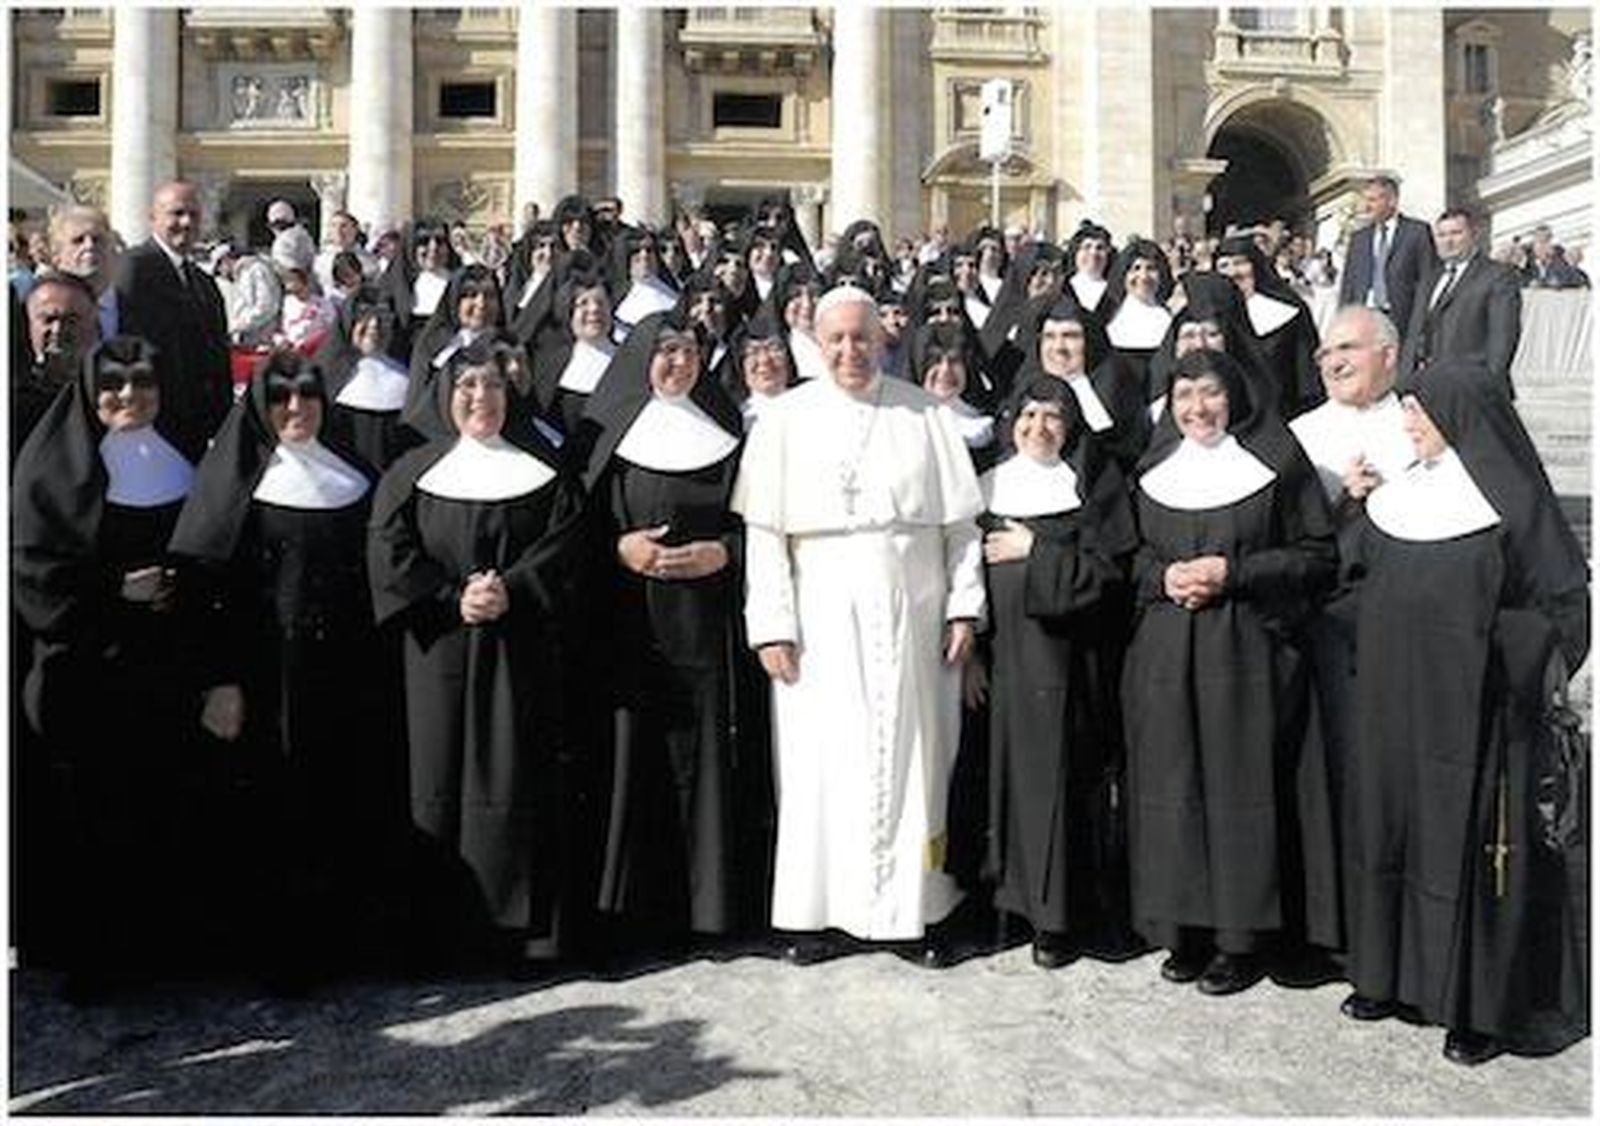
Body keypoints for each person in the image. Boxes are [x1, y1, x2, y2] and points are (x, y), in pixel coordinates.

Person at [1338, 361, 1589, 1065]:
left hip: (1480, 720)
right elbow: (1356, 580)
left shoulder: (1510, 507)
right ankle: (1385, 975)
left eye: (1420, 413)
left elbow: (1563, 614)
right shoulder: (1401, 495)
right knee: (1391, 831)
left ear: (1463, 421)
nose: (1408, 423)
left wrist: (1490, 651)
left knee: (1471, 850)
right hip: (1394, 705)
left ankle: (1476, 1006)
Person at [730, 286, 985, 965]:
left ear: (884, 341)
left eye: (862, 338)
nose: (851, 350)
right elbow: (764, 534)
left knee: (918, 761)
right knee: (820, 763)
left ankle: (914, 913)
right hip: (819, 615)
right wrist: (772, 624)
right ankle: (819, 917)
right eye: (836, 338)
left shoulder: (925, 414)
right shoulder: (784, 419)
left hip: (916, 608)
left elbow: (962, 528)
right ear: (816, 341)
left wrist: (966, 607)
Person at [168, 352, 395, 987]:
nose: (296, 409)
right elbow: (204, 589)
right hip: (266, 677)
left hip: (345, 671)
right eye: (281, 398)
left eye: (308, 395)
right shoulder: (235, 482)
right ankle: (280, 952)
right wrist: (219, 679)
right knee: (275, 807)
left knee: (342, 796)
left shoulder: (353, 475)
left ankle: (345, 941)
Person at [12, 335, 227, 997]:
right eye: (114, 384)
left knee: (169, 803)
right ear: (89, 391)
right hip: (89, 674)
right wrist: (113, 592)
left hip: (167, 668)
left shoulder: (181, 457)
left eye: (143, 383)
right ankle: (99, 960)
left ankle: (170, 949)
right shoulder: (53, 469)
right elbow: (34, 577)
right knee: (96, 815)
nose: (129, 396)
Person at [1122, 348, 1339, 997]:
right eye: (1183, 396)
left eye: (1209, 394)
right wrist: (1163, 577)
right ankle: (1182, 928)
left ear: (1236, 395)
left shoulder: (1277, 463)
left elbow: (1316, 556)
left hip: (1249, 652)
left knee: (1237, 791)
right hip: (1164, 653)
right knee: (1174, 790)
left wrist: (1233, 573)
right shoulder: (1154, 466)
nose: (1197, 410)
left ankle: (1239, 940)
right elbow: (1128, 558)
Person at [367, 338, 586, 973]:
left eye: (491, 386)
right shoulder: (412, 475)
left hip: (520, 649)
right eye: (466, 387)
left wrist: (509, 590)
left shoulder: (544, 472)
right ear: (445, 396)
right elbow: (389, 551)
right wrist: (450, 596)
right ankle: (437, 930)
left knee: (516, 774)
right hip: (437, 648)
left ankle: (519, 933)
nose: (479, 399)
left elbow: (564, 550)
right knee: (434, 779)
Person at [578, 310, 751, 949]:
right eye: (664, 351)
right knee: (632, 760)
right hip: (630, 624)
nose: (676, 363)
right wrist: (619, 548)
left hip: (706, 625)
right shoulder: (607, 435)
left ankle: (706, 913)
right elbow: (577, 528)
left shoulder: (726, 429)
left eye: (687, 351)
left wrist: (725, 554)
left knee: (704, 760)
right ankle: (628, 916)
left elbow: (755, 523)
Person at [976, 374, 1139, 968]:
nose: (1037, 428)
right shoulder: (987, 487)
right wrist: (969, 654)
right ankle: (1007, 904)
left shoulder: (1092, 488)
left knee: (1064, 786)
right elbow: (962, 578)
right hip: (1001, 666)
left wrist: (1037, 554)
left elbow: (1112, 574)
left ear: (1069, 428)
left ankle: (1059, 919)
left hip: (1073, 668)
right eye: (1027, 416)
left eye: (1052, 418)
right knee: (1002, 782)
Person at [114, 180, 233, 461]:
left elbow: (217, 353)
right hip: (152, 426)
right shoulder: (133, 269)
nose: (186, 222)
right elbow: (129, 347)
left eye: (194, 215)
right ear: (153, 217)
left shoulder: (203, 282)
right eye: (177, 213)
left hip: (197, 427)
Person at [1399, 207, 1523, 401]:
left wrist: (1487, 386)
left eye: (1456, 233)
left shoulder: (1498, 276)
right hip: (1425, 388)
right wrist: (1404, 380)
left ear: (1474, 234)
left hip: (1472, 391)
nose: (1448, 241)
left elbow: (1503, 338)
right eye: (1441, 235)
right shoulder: (1429, 278)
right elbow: (1415, 331)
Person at [1215, 235, 1323, 419]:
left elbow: (1307, 374)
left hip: (1284, 414)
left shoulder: (1289, 310)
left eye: (1240, 263)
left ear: (1256, 266)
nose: (1233, 272)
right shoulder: (1209, 317)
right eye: (1224, 266)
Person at [316, 288, 419, 472]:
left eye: (383, 318)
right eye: (363, 317)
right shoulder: (326, 375)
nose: (374, 325)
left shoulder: (409, 375)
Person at [403, 264, 504, 437]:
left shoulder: (509, 346)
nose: (481, 304)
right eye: (470, 295)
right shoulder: (431, 345)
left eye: (489, 295)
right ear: (454, 300)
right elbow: (417, 406)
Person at [1337, 175, 1438, 338]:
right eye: (1366, 200)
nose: (1366, 206)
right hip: (1364, 317)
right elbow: (1349, 284)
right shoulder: (1359, 239)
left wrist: (1421, 321)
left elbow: (1427, 278)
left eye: (1372, 200)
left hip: (1401, 318)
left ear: (1392, 201)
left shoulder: (1417, 232)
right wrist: (1343, 321)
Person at [14, 271, 99, 460]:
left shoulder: (112, 393)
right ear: (29, 326)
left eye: (72, 320)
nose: (58, 330)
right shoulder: (13, 403)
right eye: (48, 320)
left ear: (94, 325)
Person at [528, 270, 617, 440]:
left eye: (601, 302)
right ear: (568, 312)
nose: (594, 309)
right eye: (583, 303)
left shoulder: (630, 360)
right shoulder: (550, 365)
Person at [910, 321, 998, 473]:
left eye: (955, 360)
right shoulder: (900, 423)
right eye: (935, 360)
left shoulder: (989, 425)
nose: (945, 370)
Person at [1102, 238, 1175, 404]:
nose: (1143, 276)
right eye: (1135, 268)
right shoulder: (1107, 318)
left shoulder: (1172, 319)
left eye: (1151, 268)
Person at [48, 204, 124, 342]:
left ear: (112, 249)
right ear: (56, 256)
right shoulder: (41, 310)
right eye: (78, 241)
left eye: (97, 240)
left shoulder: (141, 306)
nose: (89, 246)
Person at [725, 308, 796, 431]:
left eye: (774, 348)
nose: (764, 360)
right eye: (752, 352)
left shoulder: (812, 402)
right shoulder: (735, 421)